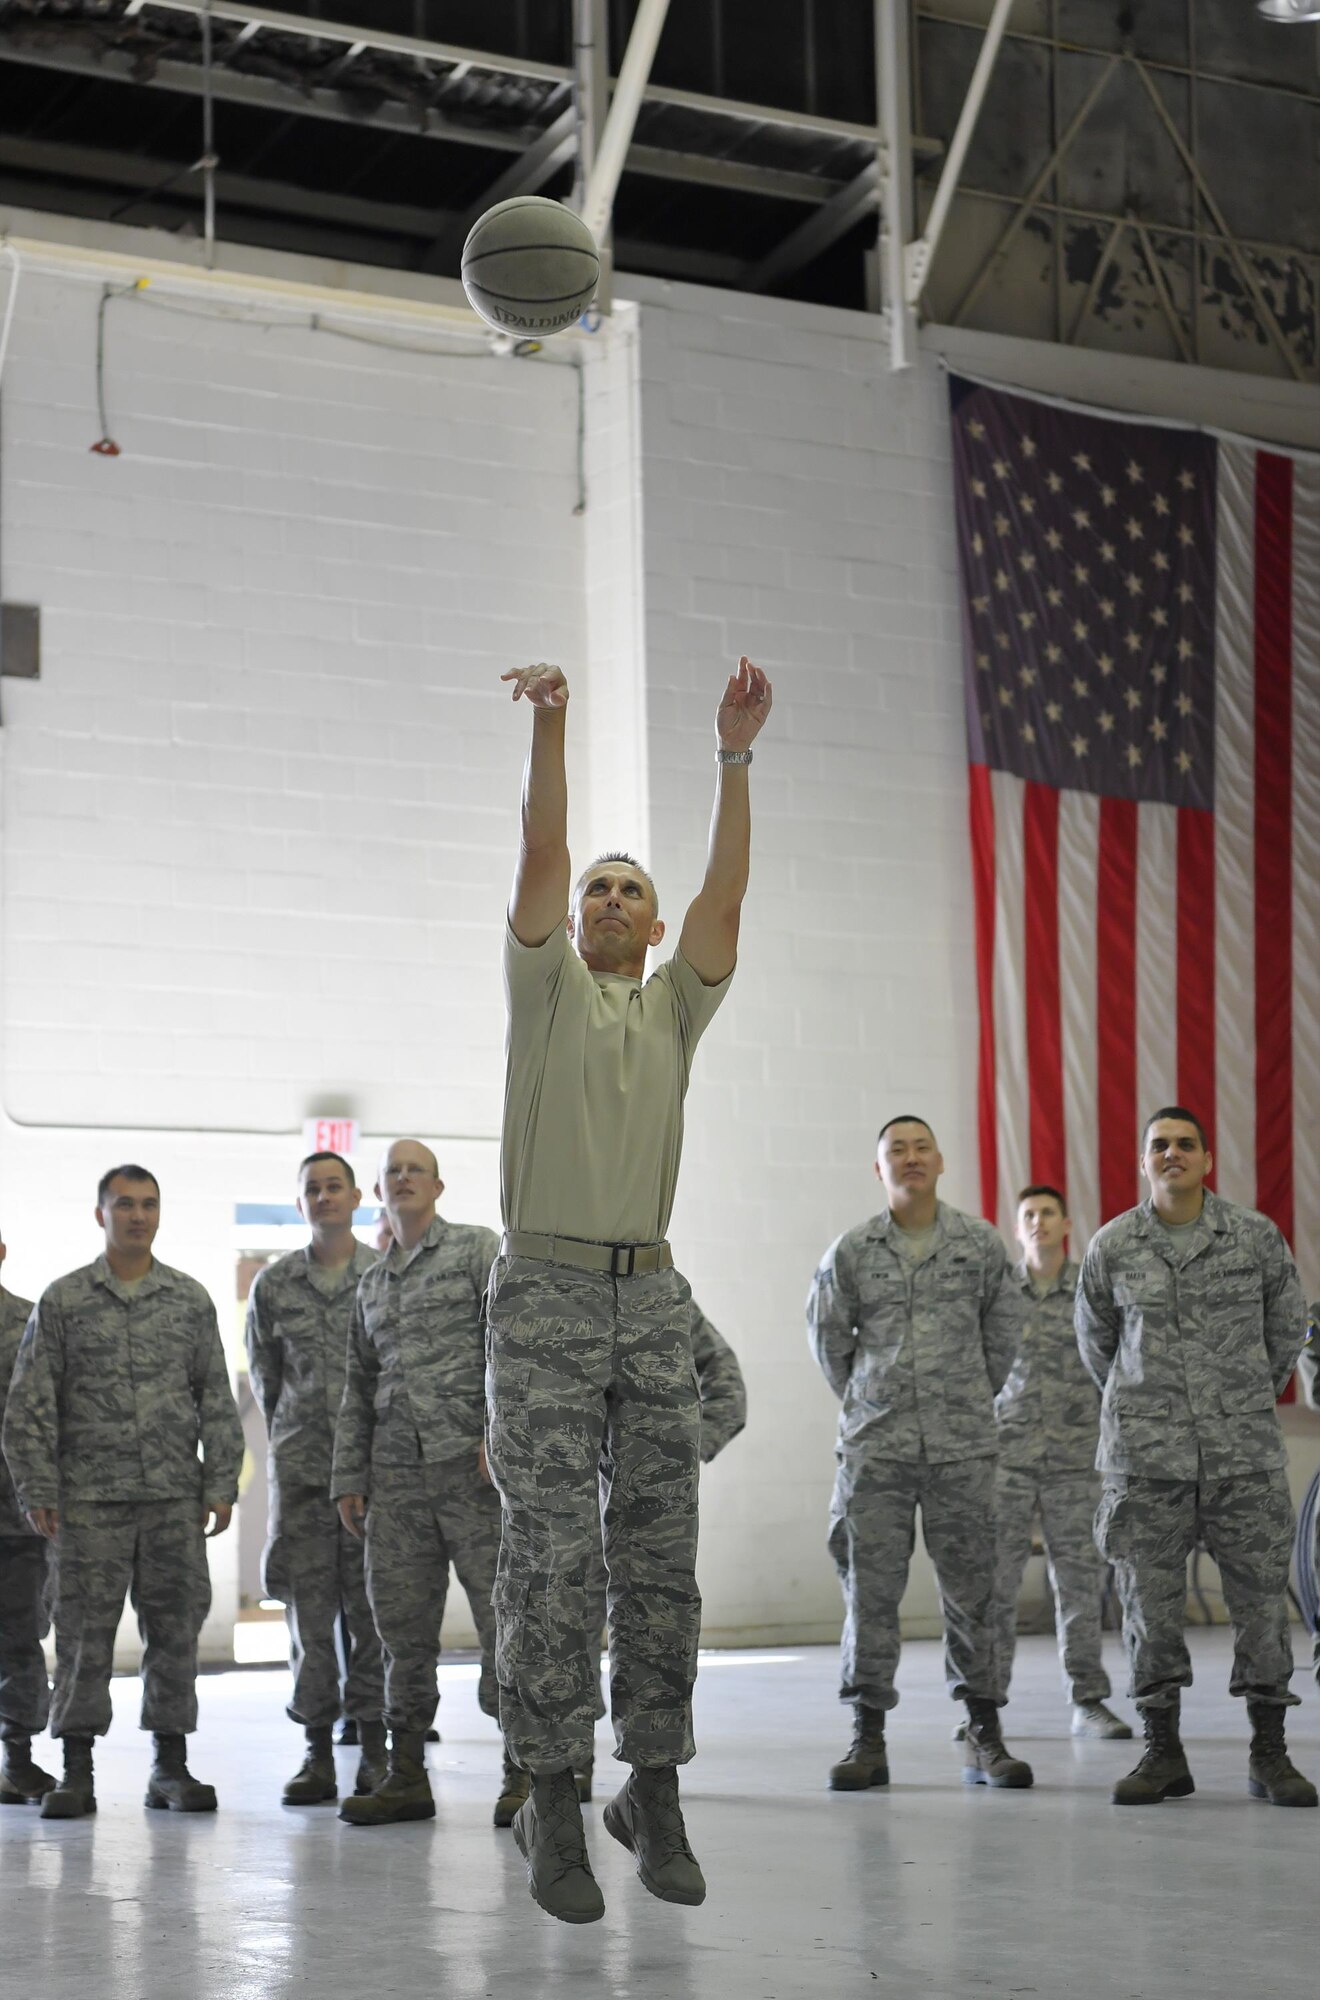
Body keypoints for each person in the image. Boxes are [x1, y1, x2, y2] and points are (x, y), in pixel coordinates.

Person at [488, 653, 771, 1924]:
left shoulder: (673, 1010)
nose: (607, 897)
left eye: (629, 891)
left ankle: (650, 1788)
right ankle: (554, 1791)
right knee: (552, 1557)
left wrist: (733, 757)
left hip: (649, 1298)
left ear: (653, 930)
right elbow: (541, 855)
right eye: (599, 887)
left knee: (661, 1555)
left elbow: (726, 893)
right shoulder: (543, 990)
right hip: (543, 1294)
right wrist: (553, 732)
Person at [1076, 1107, 1315, 1808]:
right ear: (1143, 1162)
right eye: (1159, 1145)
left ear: (1207, 1158)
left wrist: (1234, 1400)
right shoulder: (1113, 1245)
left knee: (1263, 1609)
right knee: (1148, 1610)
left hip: (1242, 1457)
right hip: (1144, 1464)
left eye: (1185, 1144)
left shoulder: (1253, 1238)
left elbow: (1285, 1331)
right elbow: (1098, 1347)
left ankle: (1269, 1754)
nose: (1172, 1154)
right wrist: (1150, 1407)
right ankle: (1163, 1752)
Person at [1, 1165, 243, 1819]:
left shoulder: (188, 1300)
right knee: (83, 1637)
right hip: (87, 1502)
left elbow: (216, 1396)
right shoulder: (65, 1301)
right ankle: (76, 1770)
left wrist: (221, 1479)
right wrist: (37, 1486)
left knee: (174, 1632)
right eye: (124, 1205)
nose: (137, 1215)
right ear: (100, 1214)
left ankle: (170, 1766)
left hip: (171, 1498)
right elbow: (29, 1405)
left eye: (149, 1204)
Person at [807, 1116, 1033, 1793]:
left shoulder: (981, 1245)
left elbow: (1005, 1336)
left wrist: (963, 1397)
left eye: (920, 1148)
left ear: (940, 1161)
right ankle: (866, 1738)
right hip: (876, 1449)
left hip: (964, 1447)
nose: (910, 1159)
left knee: (976, 1593)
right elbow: (829, 1342)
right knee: (869, 1594)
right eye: (895, 1151)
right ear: (880, 1170)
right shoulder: (851, 1250)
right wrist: (873, 1401)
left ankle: (983, 1734)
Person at [331, 1139, 500, 1827]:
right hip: (396, 1484)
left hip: (476, 1475)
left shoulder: (476, 1251)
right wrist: (350, 1474)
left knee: (505, 1623)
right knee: (402, 1633)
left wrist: (502, 1434)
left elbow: (509, 1344)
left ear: (438, 1186)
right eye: (391, 1173)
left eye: (414, 1170)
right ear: (380, 1193)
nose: (403, 1179)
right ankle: (406, 1775)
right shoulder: (371, 1283)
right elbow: (358, 1383)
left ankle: (528, 1772)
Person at [245, 1152, 385, 1806]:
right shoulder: (273, 1286)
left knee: (373, 1615)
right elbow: (266, 1383)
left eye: (335, 1186)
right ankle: (317, 1754)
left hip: (374, 1476)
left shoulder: (384, 1277)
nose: (325, 1197)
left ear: (356, 1196)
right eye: (312, 1189)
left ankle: (376, 1750)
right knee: (308, 1617)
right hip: (303, 1474)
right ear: (299, 1203)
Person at [574, 1296, 748, 1802]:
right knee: (563, 1619)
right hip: (568, 1497)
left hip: (642, 1499)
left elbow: (725, 1379)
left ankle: (650, 1776)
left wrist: (684, 1449)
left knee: (653, 1617)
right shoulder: (549, 1285)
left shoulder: (657, 1293)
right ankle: (570, 1759)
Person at [985, 1186, 1129, 1739]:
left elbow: (1114, 1360)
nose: (1038, 1222)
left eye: (1047, 1213)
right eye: (1028, 1216)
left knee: (1080, 1582)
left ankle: (1088, 1699)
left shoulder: (1090, 1289)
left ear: (1066, 1223)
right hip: (1009, 1457)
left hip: (1076, 1459)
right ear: (1017, 1229)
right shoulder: (1000, 1292)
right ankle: (985, 1705)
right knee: (995, 1585)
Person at [0, 1227, 53, 1806]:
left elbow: (49, 1417)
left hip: (16, 1519)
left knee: (19, 1640)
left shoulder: (29, 1323)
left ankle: (17, 1759)